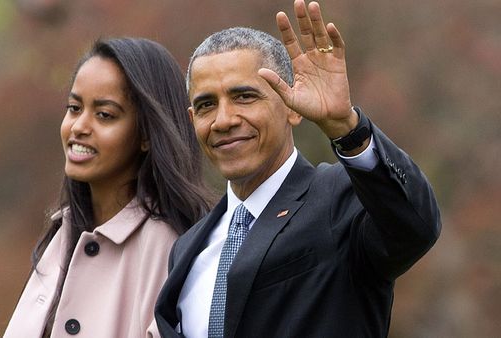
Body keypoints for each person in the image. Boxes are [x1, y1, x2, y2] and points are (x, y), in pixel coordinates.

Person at [155, 1, 441, 337]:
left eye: (244, 96)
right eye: (206, 105)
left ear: (292, 106)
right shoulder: (187, 248)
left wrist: (348, 128)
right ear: (192, 120)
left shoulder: (340, 198)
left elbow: (414, 226)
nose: (224, 120)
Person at [4, 37, 213, 337]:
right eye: (74, 108)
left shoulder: (165, 245)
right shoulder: (62, 232)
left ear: (146, 134)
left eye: (105, 115)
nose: (79, 126)